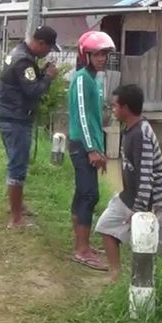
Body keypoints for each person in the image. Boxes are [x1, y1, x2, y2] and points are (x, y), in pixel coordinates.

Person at [95, 84, 162, 281]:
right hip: (129, 197)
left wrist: (138, 212)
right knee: (105, 226)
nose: (112, 110)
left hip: (155, 203)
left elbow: (146, 178)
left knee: (159, 249)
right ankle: (115, 273)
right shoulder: (129, 130)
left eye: (115, 106)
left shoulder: (142, 135)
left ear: (126, 108)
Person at [0, 25, 59, 229]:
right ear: (41, 43)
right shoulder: (24, 61)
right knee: (17, 166)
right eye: (48, 49)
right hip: (16, 119)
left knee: (16, 162)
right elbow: (33, 91)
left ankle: (18, 206)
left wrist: (40, 72)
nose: (48, 53)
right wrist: (48, 76)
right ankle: (16, 219)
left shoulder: (19, 53)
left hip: (9, 115)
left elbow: (22, 84)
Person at [68, 31, 113, 271]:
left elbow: (95, 120)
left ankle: (82, 245)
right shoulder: (82, 78)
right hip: (82, 146)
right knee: (88, 195)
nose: (102, 58)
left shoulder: (93, 79)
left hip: (89, 145)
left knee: (84, 194)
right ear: (86, 55)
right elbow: (83, 117)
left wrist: (100, 148)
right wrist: (92, 149)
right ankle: (81, 250)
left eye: (104, 54)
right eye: (97, 54)